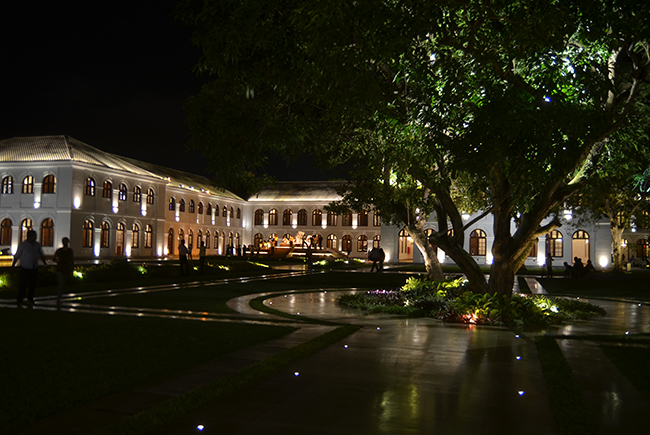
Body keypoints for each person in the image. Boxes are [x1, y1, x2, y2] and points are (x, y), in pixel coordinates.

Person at [12, 230, 48, 306]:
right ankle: (20, 298)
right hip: (24, 267)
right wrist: (13, 266)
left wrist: (45, 264)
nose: (35, 238)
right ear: (29, 236)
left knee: (32, 284)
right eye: (34, 236)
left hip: (34, 267)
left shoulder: (37, 245)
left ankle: (30, 297)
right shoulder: (23, 245)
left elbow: (41, 255)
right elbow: (17, 255)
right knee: (23, 284)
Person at [53, 237, 74, 305]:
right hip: (60, 269)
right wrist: (57, 261)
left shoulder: (70, 251)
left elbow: (72, 260)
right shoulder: (59, 251)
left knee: (63, 283)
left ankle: (59, 296)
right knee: (61, 283)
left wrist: (71, 268)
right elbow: (54, 258)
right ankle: (58, 298)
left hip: (66, 269)